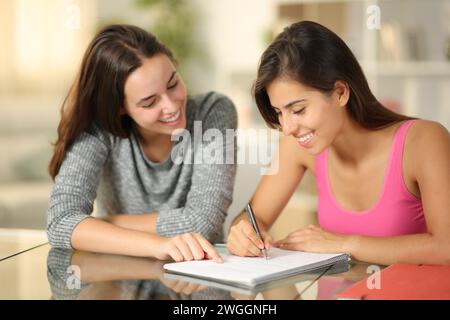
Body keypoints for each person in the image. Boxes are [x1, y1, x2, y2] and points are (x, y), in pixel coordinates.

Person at [227, 21, 450, 266]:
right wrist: (243, 231)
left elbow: (445, 247)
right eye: (279, 112)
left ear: (340, 92)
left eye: (298, 109)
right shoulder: (296, 146)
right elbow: (254, 217)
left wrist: (344, 243)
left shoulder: (424, 142)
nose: (288, 128)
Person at [47, 24, 238, 262]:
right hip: (119, 273)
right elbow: (61, 222)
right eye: (149, 102)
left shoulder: (213, 112)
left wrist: (96, 226)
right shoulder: (100, 130)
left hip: (197, 275)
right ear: (119, 108)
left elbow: (202, 223)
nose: (171, 106)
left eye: (172, 84)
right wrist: (158, 245)